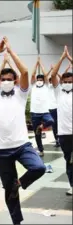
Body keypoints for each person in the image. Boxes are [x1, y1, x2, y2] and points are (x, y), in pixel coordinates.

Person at [0, 37, 46, 225]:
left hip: (22, 146)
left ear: (15, 81)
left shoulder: (21, 94)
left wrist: (10, 50)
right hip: (1, 150)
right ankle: (16, 221)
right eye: (4, 79)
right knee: (9, 191)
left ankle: (20, 183)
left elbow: (25, 71)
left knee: (39, 167)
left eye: (10, 79)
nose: (7, 82)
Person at [50, 46, 72, 196]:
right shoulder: (59, 93)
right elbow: (52, 75)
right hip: (64, 134)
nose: (67, 83)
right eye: (65, 81)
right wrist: (61, 58)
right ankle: (72, 185)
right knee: (70, 161)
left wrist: (69, 57)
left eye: (70, 81)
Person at [30, 57, 54, 156]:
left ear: (43, 80)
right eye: (38, 79)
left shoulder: (46, 86)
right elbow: (32, 75)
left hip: (45, 112)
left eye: (41, 79)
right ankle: (41, 150)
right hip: (34, 112)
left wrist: (41, 63)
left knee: (51, 121)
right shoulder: (33, 86)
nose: (39, 80)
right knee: (37, 134)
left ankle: (42, 127)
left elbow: (45, 74)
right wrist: (36, 64)